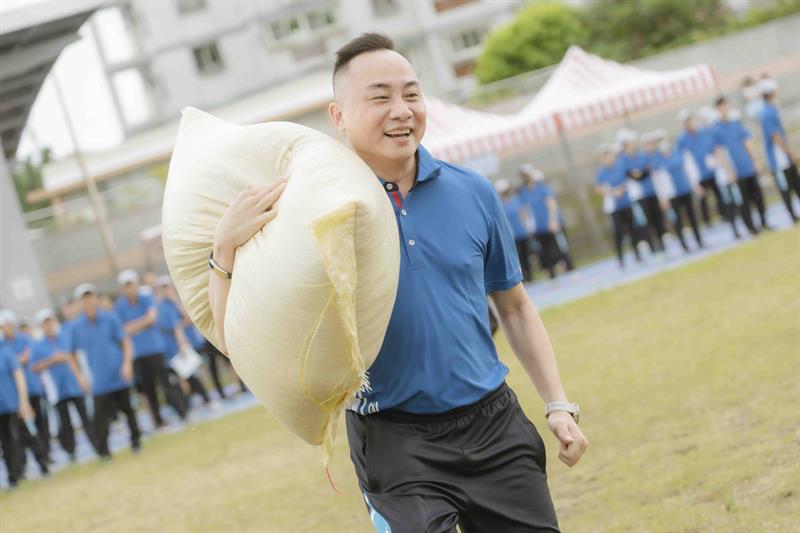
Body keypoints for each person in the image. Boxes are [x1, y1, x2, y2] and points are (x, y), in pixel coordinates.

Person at [207, 33, 587, 532]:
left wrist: (557, 403)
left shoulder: (472, 192)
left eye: (411, 94)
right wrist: (224, 249)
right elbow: (242, 339)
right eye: (380, 97)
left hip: (495, 425)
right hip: (396, 442)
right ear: (338, 116)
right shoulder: (307, 213)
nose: (401, 110)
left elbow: (513, 306)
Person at [69, 283, 140, 458]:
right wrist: (80, 377)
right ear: (80, 303)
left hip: (118, 373)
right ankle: (104, 451)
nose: (89, 302)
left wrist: (127, 364)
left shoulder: (110, 318)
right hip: (98, 380)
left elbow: (125, 342)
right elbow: (71, 355)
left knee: (128, 410)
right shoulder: (76, 327)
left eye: (91, 297)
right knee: (99, 417)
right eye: (84, 299)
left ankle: (136, 442)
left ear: (96, 299)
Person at [114, 269, 187, 428]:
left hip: (155, 349)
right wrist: (142, 323)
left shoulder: (146, 297)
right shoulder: (120, 306)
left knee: (166, 382)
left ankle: (182, 412)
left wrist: (133, 326)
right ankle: (158, 421)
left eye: (131, 284)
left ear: (136, 284)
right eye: (126, 285)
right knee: (149, 389)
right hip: (137, 353)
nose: (129, 288)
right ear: (122, 288)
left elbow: (151, 319)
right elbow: (122, 329)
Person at [29, 309, 99, 462]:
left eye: (50, 322)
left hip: (73, 385)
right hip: (56, 390)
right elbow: (33, 367)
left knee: (86, 417)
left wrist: (82, 378)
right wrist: (51, 360)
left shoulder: (65, 337)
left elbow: (74, 358)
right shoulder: (38, 345)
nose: (48, 326)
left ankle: (98, 445)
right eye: (45, 323)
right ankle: (71, 451)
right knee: (65, 423)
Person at [676, 109, 738, 237]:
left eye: (690, 120)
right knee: (702, 198)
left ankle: (724, 215)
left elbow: (711, 146)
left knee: (719, 193)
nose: (689, 123)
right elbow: (685, 160)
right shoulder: (682, 139)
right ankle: (707, 221)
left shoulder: (702, 132)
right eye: (686, 121)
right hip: (698, 173)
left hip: (711, 169)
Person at [155, 276, 215, 410]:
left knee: (190, 375)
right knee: (185, 377)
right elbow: (175, 326)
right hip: (174, 347)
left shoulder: (177, 301)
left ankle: (199, 401)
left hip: (186, 343)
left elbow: (185, 321)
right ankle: (195, 402)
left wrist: (182, 344)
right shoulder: (162, 306)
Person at [0, 310, 51, 465]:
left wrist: (17, 360)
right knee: (19, 433)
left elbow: (25, 359)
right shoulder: (4, 347)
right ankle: (22, 466)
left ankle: (45, 456)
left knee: (40, 424)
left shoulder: (23, 340)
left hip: (32, 389)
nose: (5, 329)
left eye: (7, 325)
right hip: (14, 396)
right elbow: (18, 361)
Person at [712, 95, 767, 233]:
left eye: (726, 105)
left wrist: (755, 162)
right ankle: (751, 227)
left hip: (747, 165)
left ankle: (764, 222)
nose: (725, 108)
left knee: (758, 196)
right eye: (722, 106)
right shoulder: (716, 129)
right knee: (743, 201)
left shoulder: (736, 124)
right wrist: (728, 171)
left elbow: (747, 144)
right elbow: (720, 152)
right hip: (735, 170)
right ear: (717, 109)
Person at [518, 165, 574, 279]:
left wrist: (553, 220)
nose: (526, 177)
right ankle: (552, 274)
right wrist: (527, 226)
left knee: (559, 248)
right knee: (543, 252)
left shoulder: (542, 188)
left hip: (550, 225)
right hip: (537, 228)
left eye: (527, 175)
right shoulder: (523, 192)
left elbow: (551, 204)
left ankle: (570, 270)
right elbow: (523, 211)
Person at [651, 134, 705, 252]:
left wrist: (695, 185)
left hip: (684, 189)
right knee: (677, 220)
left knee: (692, 216)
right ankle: (684, 245)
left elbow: (689, 170)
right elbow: (657, 181)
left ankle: (699, 240)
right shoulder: (656, 160)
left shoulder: (678, 153)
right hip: (671, 194)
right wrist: (662, 198)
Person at [758, 78, 799, 223]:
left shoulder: (771, 109)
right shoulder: (766, 112)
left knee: (795, 183)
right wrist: (790, 152)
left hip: (783, 157)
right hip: (778, 159)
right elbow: (775, 136)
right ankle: (792, 215)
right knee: (785, 187)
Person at [595, 143, 641, 268]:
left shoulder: (621, 166)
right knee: (618, 233)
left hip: (626, 203)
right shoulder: (601, 172)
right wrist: (612, 192)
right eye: (604, 156)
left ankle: (637, 254)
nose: (607, 158)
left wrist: (622, 188)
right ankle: (620, 259)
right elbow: (598, 188)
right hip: (614, 208)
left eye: (608, 154)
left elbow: (630, 177)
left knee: (633, 229)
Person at [618, 129, 664, 255]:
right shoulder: (622, 160)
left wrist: (639, 173)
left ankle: (662, 246)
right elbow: (632, 175)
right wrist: (639, 173)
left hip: (651, 192)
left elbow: (646, 170)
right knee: (644, 223)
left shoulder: (642, 155)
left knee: (657, 220)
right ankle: (653, 250)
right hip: (637, 197)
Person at [0, 341, 37, 488]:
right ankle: (13, 475)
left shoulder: (6, 352)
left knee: (21, 437)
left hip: (12, 405)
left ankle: (40, 464)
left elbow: (19, 376)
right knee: (6, 443)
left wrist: (23, 401)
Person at [495, 178, 535, 282]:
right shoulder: (499, 204)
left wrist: (527, 227)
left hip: (522, 232)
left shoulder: (516, 200)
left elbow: (523, 214)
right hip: (511, 237)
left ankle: (530, 276)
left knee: (527, 255)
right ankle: (522, 278)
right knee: (517, 258)